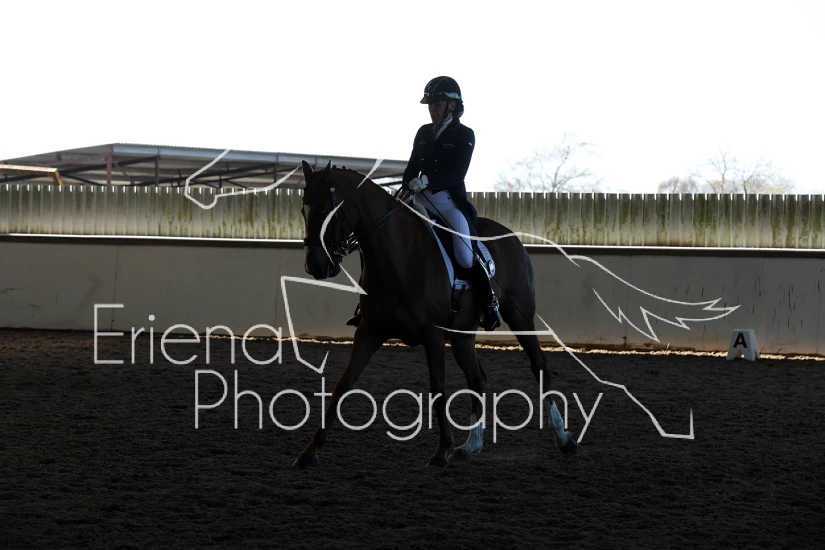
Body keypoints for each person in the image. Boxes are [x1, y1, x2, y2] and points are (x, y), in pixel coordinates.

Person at [346, 76, 501, 331]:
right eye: (430, 105)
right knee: (381, 238)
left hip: (447, 201)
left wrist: (427, 180)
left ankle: (489, 303)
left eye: (436, 104)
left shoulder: (465, 135)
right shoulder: (423, 132)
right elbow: (411, 166)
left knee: (464, 255)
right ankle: (367, 305)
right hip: (416, 197)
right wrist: (408, 183)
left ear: (452, 105)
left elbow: (457, 173)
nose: (432, 109)